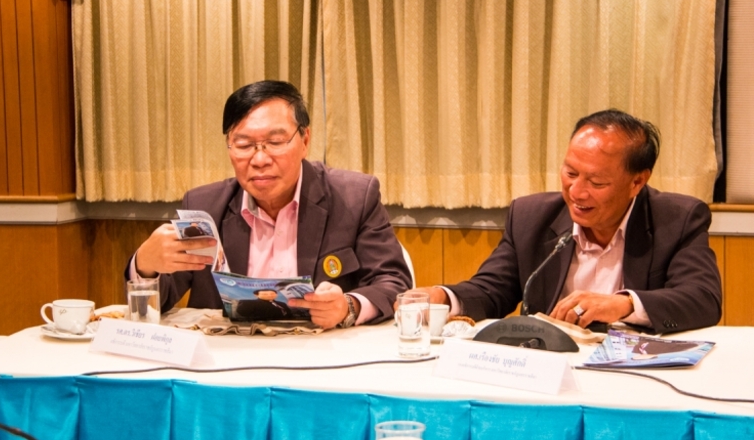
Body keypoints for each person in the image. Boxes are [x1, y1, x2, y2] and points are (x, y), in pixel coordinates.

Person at [127, 80, 411, 329]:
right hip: (228, 358)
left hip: (321, 353)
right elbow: (155, 305)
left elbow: (394, 282)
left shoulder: (354, 197)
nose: (260, 159)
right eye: (243, 145)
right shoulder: (205, 207)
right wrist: (145, 265)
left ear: (305, 140)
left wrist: (348, 306)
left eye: (275, 142)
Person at [409, 109, 721, 334]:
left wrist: (623, 304)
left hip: (634, 372)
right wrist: (443, 297)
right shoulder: (531, 216)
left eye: (596, 182)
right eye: (570, 173)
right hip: (550, 369)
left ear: (637, 182)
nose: (576, 192)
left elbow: (703, 299)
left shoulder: (677, 219)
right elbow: (491, 290)